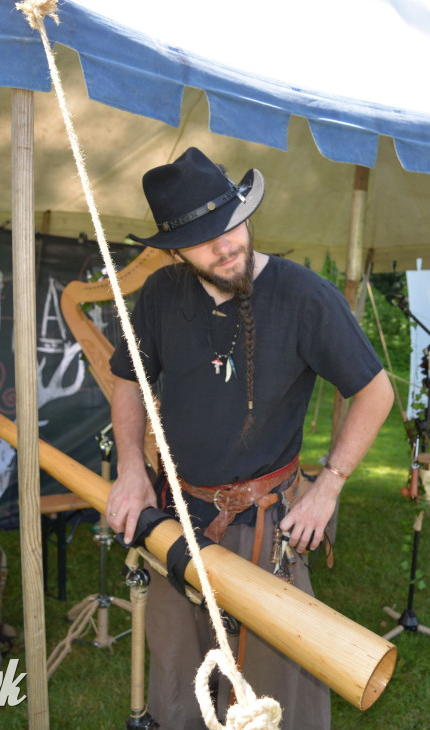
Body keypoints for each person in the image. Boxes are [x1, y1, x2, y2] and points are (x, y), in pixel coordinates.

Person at [105, 147, 393, 730]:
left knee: (275, 694)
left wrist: (329, 485)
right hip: (175, 517)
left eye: (231, 222)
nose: (227, 242)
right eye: (206, 238)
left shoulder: (304, 295)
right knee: (179, 682)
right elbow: (127, 380)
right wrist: (132, 468)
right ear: (177, 250)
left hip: (267, 524)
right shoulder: (160, 295)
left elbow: (376, 392)